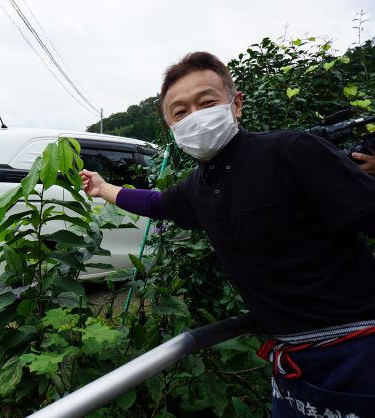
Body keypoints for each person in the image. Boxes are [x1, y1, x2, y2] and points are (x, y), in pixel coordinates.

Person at [80, 52, 375, 417]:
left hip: (359, 349)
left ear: (235, 105)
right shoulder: (199, 186)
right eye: (180, 112)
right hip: (291, 362)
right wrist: (103, 188)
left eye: (206, 102)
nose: (196, 117)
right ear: (171, 127)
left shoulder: (292, 151)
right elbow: (156, 204)